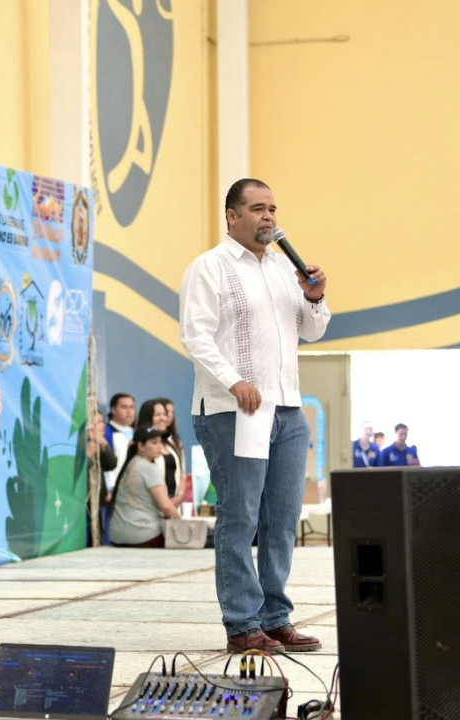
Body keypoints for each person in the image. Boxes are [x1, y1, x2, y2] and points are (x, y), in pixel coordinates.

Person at [180, 178, 330, 654]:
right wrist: (234, 380)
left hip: (287, 409)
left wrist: (314, 297)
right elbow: (195, 335)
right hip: (234, 410)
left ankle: (275, 617)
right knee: (240, 516)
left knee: (282, 518)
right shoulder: (210, 267)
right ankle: (242, 623)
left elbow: (312, 332)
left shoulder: (285, 269)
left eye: (273, 209)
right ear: (232, 215)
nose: (269, 216)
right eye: (258, 208)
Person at [108, 427, 180, 547]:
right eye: (154, 443)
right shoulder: (150, 468)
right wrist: (181, 523)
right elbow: (165, 506)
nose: (159, 446)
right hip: (145, 536)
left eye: (160, 442)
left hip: (117, 537)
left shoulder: (130, 465)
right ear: (141, 446)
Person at [137, 398, 187, 504]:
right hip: (152, 506)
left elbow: (181, 472)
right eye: (157, 415)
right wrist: (166, 505)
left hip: (173, 505)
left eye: (164, 414)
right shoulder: (140, 445)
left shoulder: (170, 442)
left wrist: (179, 496)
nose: (163, 418)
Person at [102, 393, 136, 500]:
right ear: (113, 410)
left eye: (131, 407)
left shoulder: (136, 432)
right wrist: (109, 489)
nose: (129, 411)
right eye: (124, 407)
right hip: (114, 494)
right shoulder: (106, 432)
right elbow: (106, 465)